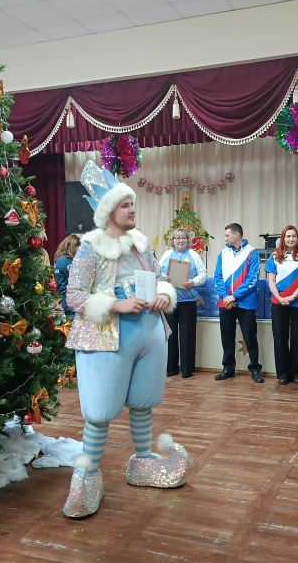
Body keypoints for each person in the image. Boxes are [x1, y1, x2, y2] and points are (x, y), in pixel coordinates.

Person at [62, 161, 188, 519]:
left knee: (144, 403)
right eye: (125, 205)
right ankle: (87, 475)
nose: (132, 210)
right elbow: (74, 297)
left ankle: (143, 460)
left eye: (133, 204)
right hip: (107, 336)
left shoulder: (141, 245)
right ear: (109, 211)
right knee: (100, 412)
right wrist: (115, 304)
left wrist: (163, 293)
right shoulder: (90, 248)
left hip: (150, 331)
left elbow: (161, 277)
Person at [213, 222, 263, 383]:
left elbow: (252, 279)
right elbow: (217, 277)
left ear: (237, 235)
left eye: (227, 235)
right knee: (227, 337)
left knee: (250, 337)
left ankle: (255, 369)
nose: (225, 238)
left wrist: (234, 296)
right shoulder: (223, 253)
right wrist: (226, 296)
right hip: (225, 302)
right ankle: (228, 368)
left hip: (245, 303)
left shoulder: (252, 253)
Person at [265, 225, 298, 385]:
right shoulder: (274, 257)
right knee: (280, 339)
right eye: (288, 236)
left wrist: (292, 296)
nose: (291, 239)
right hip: (278, 303)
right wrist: (279, 298)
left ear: (297, 238)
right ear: (283, 238)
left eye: (294, 236)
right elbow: (271, 281)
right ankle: (283, 373)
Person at [159, 228, 208, 378]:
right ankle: (171, 368)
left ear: (188, 241)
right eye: (177, 238)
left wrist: (193, 282)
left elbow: (203, 274)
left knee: (188, 334)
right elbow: (157, 272)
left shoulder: (194, 255)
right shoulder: (166, 254)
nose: (180, 241)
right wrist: (164, 277)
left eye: (183, 238)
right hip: (170, 300)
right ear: (172, 241)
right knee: (170, 334)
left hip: (188, 301)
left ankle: (187, 369)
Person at [54, 234, 81, 315]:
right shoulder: (66, 261)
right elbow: (78, 278)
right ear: (73, 246)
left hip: (70, 299)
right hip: (73, 300)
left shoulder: (61, 259)